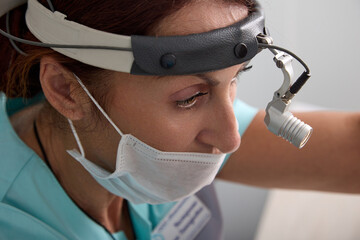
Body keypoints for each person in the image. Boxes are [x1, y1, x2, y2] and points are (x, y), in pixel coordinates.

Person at [0, 0, 359, 239]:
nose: (230, 138)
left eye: (235, 79)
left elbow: (349, 154)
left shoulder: (186, 129)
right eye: (190, 98)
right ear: (65, 90)